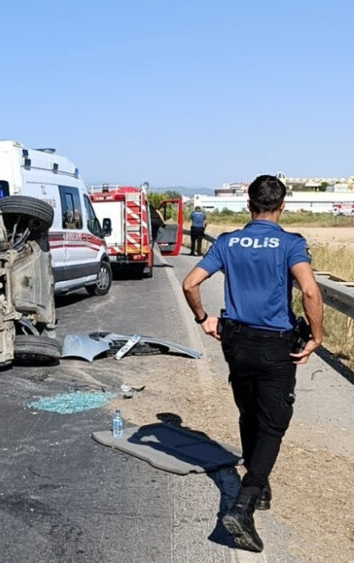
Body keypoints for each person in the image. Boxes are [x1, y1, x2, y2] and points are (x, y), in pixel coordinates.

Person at [181, 175, 323, 553]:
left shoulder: (228, 242)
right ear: (282, 206)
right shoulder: (291, 243)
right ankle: (244, 505)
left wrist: (203, 319)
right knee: (274, 422)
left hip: (236, 341)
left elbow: (190, 283)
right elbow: (310, 290)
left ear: (249, 205)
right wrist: (318, 338)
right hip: (274, 344)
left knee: (248, 412)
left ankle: (259, 484)